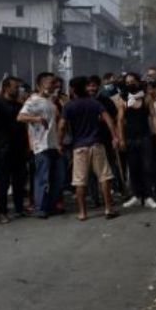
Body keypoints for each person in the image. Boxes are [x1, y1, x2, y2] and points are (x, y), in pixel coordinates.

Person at [59, 76, 120, 221]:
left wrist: (59, 144)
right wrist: (115, 137)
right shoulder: (95, 103)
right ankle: (108, 208)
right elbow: (109, 120)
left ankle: (82, 213)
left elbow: (61, 126)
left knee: (79, 181)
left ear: (73, 89)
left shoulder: (69, 106)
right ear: (86, 88)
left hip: (79, 147)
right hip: (96, 144)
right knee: (104, 177)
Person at [18, 72, 65, 219]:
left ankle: (50, 205)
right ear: (41, 84)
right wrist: (36, 118)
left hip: (53, 146)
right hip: (42, 146)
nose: (54, 85)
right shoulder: (33, 100)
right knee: (42, 178)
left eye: (55, 83)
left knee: (59, 177)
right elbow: (20, 117)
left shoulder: (49, 101)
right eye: (51, 83)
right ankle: (41, 208)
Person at [0, 77, 28, 224]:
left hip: (19, 147)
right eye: (15, 87)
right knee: (3, 181)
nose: (17, 90)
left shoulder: (19, 105)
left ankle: (19, 208)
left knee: (19, 180)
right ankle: (2, 212)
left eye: (18, 87)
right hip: (5, 147)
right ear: (6, 88)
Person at [118, 73, 156, 209]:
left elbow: (154, 117)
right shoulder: (123, 99)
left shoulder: (146, 98)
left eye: (132, 81)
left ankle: (148, 196)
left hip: (145, 137)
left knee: (147, 167)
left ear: (138, 82)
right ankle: (136, 196)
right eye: (128, 82)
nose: (130, 83)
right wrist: (121, 139)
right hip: (130, 138)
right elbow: (120, 121)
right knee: (133, 168)